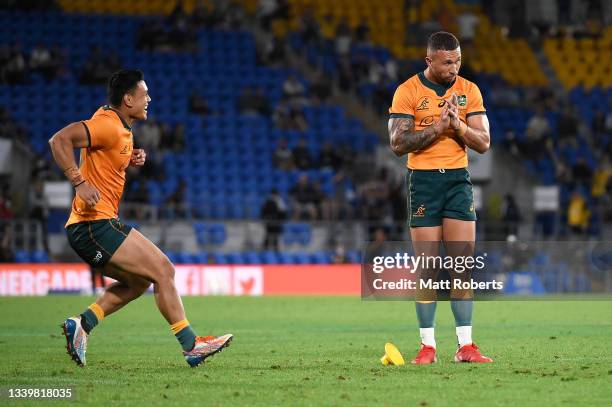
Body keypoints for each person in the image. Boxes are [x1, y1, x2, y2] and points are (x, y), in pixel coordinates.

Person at [48, 69, 232, 367]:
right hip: (93, 225)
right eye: (144, 95)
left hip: (94, 226)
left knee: (138, 283)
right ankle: (191, 345)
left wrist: (130, 156)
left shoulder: (119, 126)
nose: (149, 99)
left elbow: (106, 152)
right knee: (164, 270)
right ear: (128, 98)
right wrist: (78, 181)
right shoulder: (107, 125)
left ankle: (82, 324)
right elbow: (59, 140)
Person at [388, 32, 492, 364]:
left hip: (458, 181)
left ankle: (466, 346)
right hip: (423, 182)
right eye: (448, 62)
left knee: (462, 266)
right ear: (429, 60)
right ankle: (427, 347)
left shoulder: (469, 90)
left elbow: (484, 141)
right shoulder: (408, 91)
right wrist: (438, 128)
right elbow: (398, 143)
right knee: (429, 267)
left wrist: (458, 128)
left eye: (458, 60)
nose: (454, 67)